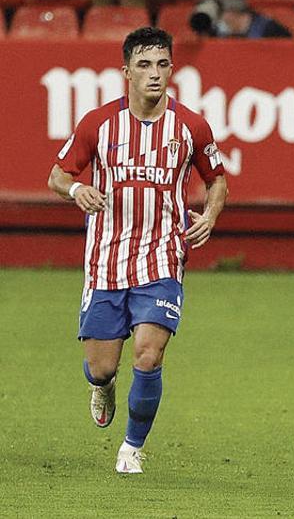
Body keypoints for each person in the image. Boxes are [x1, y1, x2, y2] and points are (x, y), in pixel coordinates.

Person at [46, 26, 228, 474]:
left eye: (162, 65)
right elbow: (57, 175)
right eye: (144, 65)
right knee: (102, 367)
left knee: (149, 352)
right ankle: (102, 385)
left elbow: (217, 178)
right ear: (126, 70)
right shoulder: (98, 123)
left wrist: (210, 216)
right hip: (106, 261)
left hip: (162, 258)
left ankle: (132, 447)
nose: (154, 74)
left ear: (172, 70)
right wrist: (78, 191)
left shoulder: (190, 125)